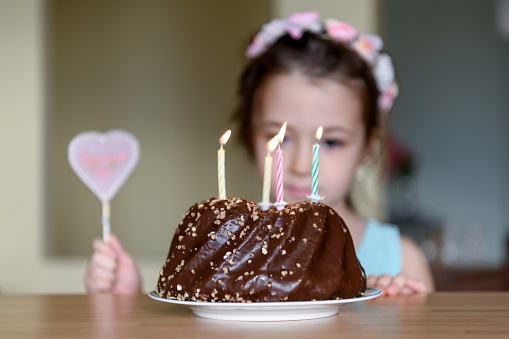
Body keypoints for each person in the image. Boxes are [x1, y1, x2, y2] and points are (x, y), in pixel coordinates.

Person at [85, 11, 434, 296]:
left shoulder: (403, 260)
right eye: (280, 139)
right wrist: (123, 303)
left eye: (330, 143)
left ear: (367, 148)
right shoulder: (225, 250)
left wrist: (403, 313)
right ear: (250, 136)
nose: (299, 165)